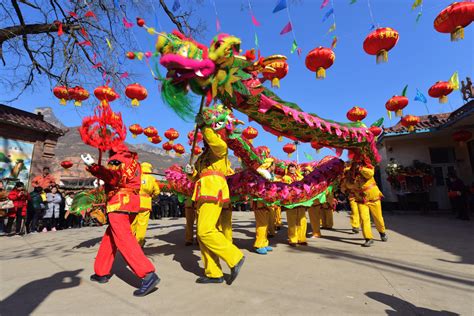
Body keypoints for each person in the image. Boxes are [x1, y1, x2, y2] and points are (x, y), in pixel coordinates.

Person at [82, 147, 159, 296]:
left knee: (124, 239)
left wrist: (94, 167)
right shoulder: (134, 161)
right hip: (131, 202)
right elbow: (125, 181)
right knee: (110, 239)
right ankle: (101, 271)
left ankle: (147, 274)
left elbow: (114, 177)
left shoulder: (118, 158)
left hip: (119, 203)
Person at [185, 109, 245, 285]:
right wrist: (191, 172)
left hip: (213, 191)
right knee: (203, 235)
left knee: (205, 231)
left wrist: (204, 127)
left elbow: (216, 143)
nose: (205, 138)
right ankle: (213, 272)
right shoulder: (202, 157)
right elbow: (196, 176)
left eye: (207, 135)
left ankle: (235, 257)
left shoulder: (221, 147)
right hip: (202, 192)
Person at [353, 159, 388, 247]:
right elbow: (348, 185)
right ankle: (368, 238)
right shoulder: (351, 173)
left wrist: (360, 169)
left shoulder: (368, 167)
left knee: (378, 218)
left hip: (374, 197)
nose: (355, 163)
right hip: (361, 199)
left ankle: (382, 232)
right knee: (364, 219)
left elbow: (370, 174)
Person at [131, 162, 161, 247]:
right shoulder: (152, 179)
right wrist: (151, 195)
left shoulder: (136, 177)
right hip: (145, 202)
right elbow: (157, 191)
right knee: (142, 224)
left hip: (134, 201)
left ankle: (130, 241)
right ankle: (139, 242)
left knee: (133, 222)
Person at [282, 163, 307, 247]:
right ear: (288, 169)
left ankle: (302, 238)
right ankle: (293, 239)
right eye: (290, 167)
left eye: (293, 167)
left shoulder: (301, 177)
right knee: (291, 221)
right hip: (290, 202)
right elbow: (283, 189)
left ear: (296, 168)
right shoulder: (285, 178)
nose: (292, 169)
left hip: (301, 202)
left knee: (302, 220)